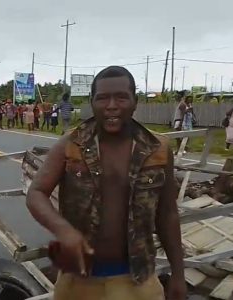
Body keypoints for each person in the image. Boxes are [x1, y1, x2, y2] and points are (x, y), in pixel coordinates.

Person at [26, 66, 185, 300]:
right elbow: (36, 193)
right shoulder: (70, 145)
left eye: (121, 97)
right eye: (102, 98)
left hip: (137, 280)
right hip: (78, 280)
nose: (112, 105)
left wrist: (179, 274)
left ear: (135, 101)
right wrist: (64, 231)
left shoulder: (158, 150)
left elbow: (168, 214)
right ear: (92, 102)